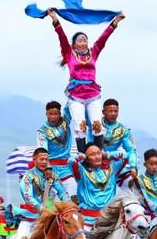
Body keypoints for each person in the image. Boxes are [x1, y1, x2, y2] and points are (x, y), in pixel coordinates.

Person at [48, 8, 125, 153]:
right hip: (76, 96)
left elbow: (103, 39)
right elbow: (62, 37)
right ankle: (83, 155)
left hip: (92, 94)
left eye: (85, 40)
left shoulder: (93, 52)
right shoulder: (69, 54)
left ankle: (98, 153)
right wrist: (55, 20)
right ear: (74, 44)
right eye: (80, 40)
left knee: (97, 124)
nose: (84, 42)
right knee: (80, 125)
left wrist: (115, 22)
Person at [69, 142, 128, 239]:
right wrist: (81, 156)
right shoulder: (81, 172)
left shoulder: (112, 169)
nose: (96, 156)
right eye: (92, 154)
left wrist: (107, 154)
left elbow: (127, 156)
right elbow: (71, 162)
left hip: (109, 218)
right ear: (86, 158)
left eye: (98, 153)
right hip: (88, 219)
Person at [7, 148, 69, 239]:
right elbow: (27, 196)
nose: (44, 161)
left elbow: (62, 191)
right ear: (34, 159)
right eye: (41, 159)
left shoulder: (52, 176)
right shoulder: (27, 177)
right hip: (30, 218)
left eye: (46, 159)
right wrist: (40, 207)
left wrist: (66, 205)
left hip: (48, 217)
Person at [37, 101, 76, 198]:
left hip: (67, 169)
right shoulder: (42, 131)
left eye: (56, 114)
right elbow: (42, 151)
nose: (53, 117)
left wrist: (73, 94)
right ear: (46, 114)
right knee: (50, 203)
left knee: (73, 196)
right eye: (51, 114)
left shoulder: (64, 122)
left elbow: (70, 106)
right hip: (51, 170)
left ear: (60, 114)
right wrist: (46, 169)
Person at [99, 99, 138, 194]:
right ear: (103, 112)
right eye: (110, 111)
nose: (113, 114)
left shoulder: (123, 130)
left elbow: (131, 150)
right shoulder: (96, 124)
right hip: (94, 160)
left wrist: (133, 166)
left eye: (115, 111)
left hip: (112, 164)